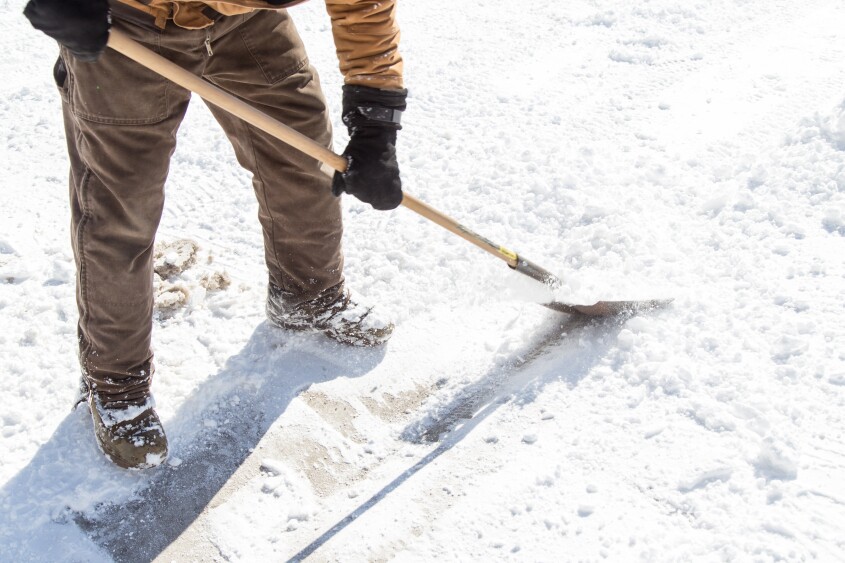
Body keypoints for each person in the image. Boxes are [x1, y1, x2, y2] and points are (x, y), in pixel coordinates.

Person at [23, 0, 407, 470]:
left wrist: (375, 124)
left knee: (301, 156)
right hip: (134, 22)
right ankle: (116, 385)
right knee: (120, 210)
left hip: (246, 19)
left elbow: (364, 9)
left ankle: (307, 296)